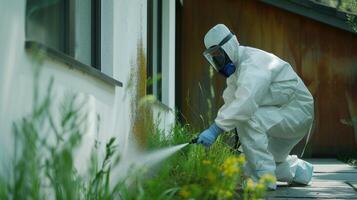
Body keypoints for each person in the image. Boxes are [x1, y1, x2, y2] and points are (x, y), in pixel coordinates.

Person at [197, 24, 314, 190]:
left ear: (228, 47)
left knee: (247, 118)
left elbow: (244, 104)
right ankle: (302, 171)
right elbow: (231, 103)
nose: (217, 61)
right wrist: (212, 128)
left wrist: (216, 130)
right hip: (280, 116)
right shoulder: (237, 72)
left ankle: (264, 181)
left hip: (297, 113)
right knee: (248, 165)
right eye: (213, 57)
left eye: (218, 55)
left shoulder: (253, 64)